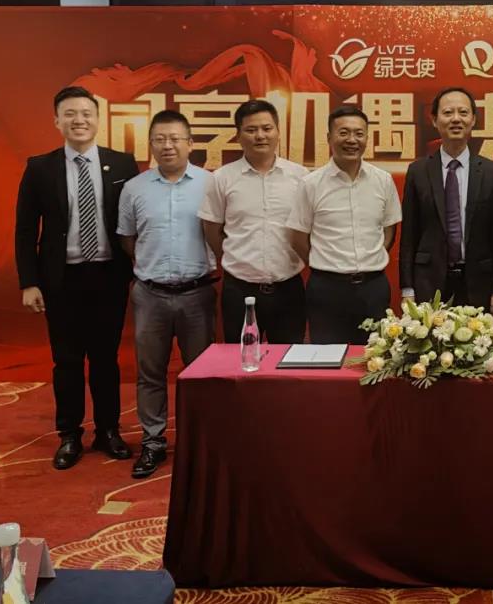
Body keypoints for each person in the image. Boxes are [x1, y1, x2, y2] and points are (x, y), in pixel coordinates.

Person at [14, 85, 138, 470]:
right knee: (66, 360)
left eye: (86, 113)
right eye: (70, 114)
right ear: (57, 121)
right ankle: (69, 434)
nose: (78, 120)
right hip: (61, 280)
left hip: (108, 277)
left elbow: (134, 221)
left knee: (105, 359)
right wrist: (29, 282)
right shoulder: (40, 167)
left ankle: (108, 430)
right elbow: (25, 230)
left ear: (98, 120)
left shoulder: (122, 164)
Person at [118, 110, 215, 479]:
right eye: (160, 139)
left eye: (175, 138)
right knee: (150, 373)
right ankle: (153, 441)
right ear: (151, 145)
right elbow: (128, 240)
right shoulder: (134, 188)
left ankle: (199, 442)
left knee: (202, 375)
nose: (168, 145)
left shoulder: (210, 183)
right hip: (150, 295)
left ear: (190, 143)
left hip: (197, 294)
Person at [287, 105, 402, 344]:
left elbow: (389, 230)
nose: (352, 140)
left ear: (367, 138)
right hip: (327, 290)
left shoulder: (383, 180)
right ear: (329, 138)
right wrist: (327, 263)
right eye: (344, 133)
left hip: (373, 288)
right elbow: (298, 237)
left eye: (359, 133)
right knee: (327, 359)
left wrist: (368, 260)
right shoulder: (311, 184)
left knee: (375, 356)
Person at [199, 99, 309, 345]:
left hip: (288, 288)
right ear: (238, 136)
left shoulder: (300, 177)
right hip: (239, 290)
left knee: (288, 360)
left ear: (278, 132)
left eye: (267, 128)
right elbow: (212, 229)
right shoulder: (222, 178)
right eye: (251, 130)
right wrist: (235, 257)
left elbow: (307, 229)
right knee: (241, 360)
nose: (260, 135)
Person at [399, 86, 493, 313]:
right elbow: (409, 234)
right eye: (448, 113)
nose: (456, 119)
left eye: (463, 112)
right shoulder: (418, 171)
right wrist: (407, 288)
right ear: (434, 120)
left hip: (478, 282)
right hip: (428, 282)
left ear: (473, 119)